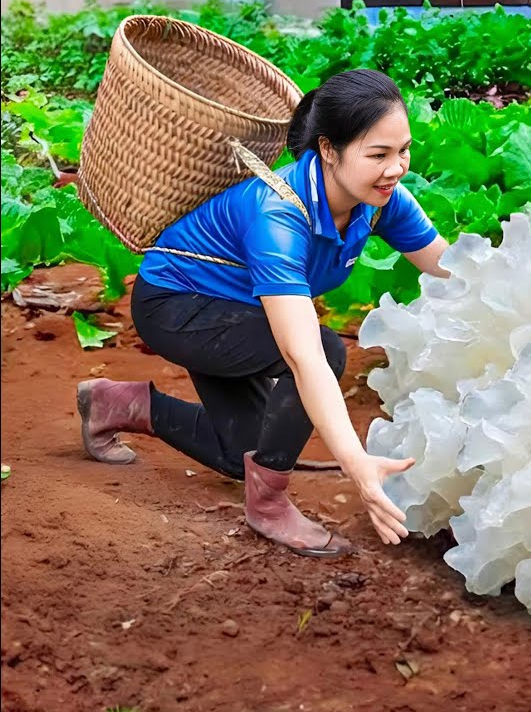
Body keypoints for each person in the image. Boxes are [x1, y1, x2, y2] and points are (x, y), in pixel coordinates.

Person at [76, 69, 447, 558]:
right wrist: (356, 462)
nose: (396, 168)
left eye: (402, 150)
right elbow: (303, 356)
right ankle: (269, 505)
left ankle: (112, 404)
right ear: (328, 150)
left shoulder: (381, 202)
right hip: (176, 305)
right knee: (327, 349)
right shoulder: (279, 215)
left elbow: (453, 269)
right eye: (377, 155)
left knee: (241, 452)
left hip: (237, 311)